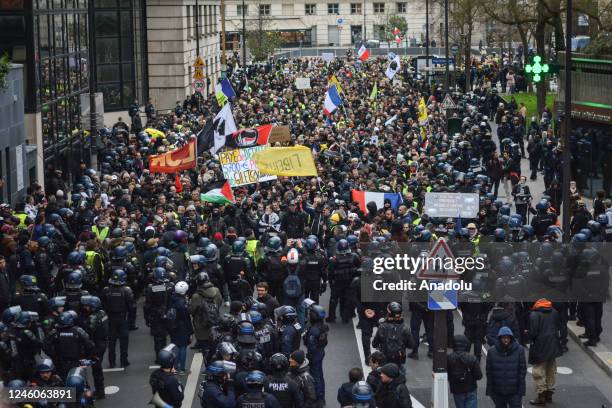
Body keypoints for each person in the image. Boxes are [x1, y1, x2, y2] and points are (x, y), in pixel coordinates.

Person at [527, 298, 561, 405]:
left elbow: (533, 333)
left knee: (538, 372)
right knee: (551, 370)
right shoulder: (554, 312)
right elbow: (558, 326)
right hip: (553, 345)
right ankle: (549, 394)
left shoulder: (534, 315)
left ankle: (541, 397)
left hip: (540, 346)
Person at [101, 269, 135, 368]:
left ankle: (112, 362)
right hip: (122, 319)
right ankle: (124, 361)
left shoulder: (106, 290)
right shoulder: (126, 290)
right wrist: (131, 321)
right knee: (124, 341)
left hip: (110, 319)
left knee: (111, 342)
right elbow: (132, 307)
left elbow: (102, 305)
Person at [486, 326, 527, 408]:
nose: (506, 340)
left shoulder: (519, 350)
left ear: (511, 338)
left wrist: (520, 391)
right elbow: (489, 373)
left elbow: (522, 371)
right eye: (503, 337)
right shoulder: (492, 352)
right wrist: (490, 391)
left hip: (514, 391)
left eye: (508, 337)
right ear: (500, 338)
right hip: (498, 392)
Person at [189, 271, 222, 361]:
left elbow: (191, 310)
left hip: (201, 326)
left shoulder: (196, 296)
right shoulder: (217, 291)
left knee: (205, 348)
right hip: (215, 323)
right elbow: (219, 303)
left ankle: (208, 366)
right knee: (214, 346)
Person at [372, 302, 413, 371]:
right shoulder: (405, 328)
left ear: (389, 313)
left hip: (385, 358)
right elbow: (411, 344)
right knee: (401, 375)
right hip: (399, 359)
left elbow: (374, 343)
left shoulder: (382, 326)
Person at [447, 334, 483, 408]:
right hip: (470, 388)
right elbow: (479, 376)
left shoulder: (449, 358)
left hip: (457, 389)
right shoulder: (472, 358)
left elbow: (447, 374)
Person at [303, 304, 328, 401]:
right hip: (320, 351)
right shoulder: (323, 326)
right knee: (320, 376)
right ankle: (321, 396)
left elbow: (311, 345)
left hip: (314, 355)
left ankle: (318, 398)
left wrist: (308, 357)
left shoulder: (313, 330)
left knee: (316, 376)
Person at [169, 281, 194, 375]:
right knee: (182, 347)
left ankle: (174, 367)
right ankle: (182, 369)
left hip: (172, 325)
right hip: (182, 327)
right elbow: (186, 319)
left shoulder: (172, 298)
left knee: (175, 346)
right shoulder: (182, 304)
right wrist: (190, 331)